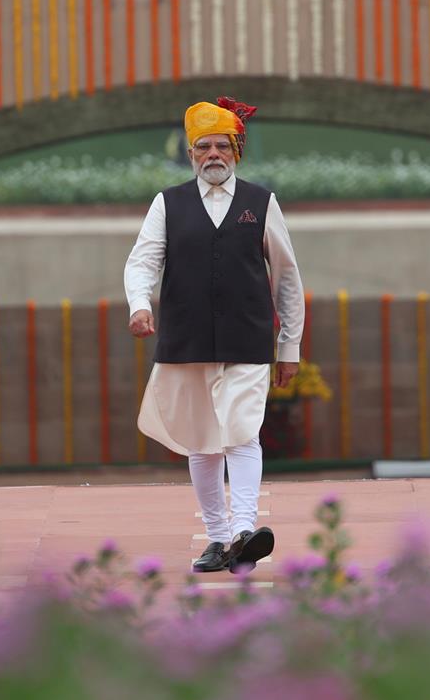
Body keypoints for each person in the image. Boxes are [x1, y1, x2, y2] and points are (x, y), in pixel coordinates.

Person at [124, 97, 305, 574]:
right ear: (191, 154)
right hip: (186, 341)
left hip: (247, 339)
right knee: (201, 441)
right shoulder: (168, 204)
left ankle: (245, 530)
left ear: (236, 150)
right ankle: (220, 539)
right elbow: (143, 261)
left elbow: (287, 278)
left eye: (221, 146)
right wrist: (140, 306)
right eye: (202, 147)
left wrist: (290, 347)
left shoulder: (261, 203)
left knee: (243, 431)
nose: (212, 155)